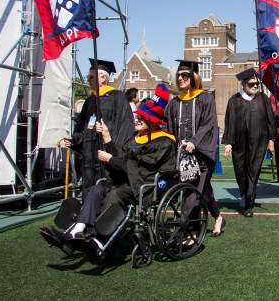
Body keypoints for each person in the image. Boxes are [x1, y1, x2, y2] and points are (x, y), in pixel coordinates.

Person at [41, 84, 177, 255]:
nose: (138, 119)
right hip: (129, 182)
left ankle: (98, 237)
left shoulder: (163, 142)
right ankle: (76, 232)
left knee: (116, 193)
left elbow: (139, 168)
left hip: (146, 186)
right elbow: (123, 157)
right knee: (98, 188)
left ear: (153, 122)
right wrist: (108, 139)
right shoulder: (136, 138)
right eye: (139, 116)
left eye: (142, 118)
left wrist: (111, 159)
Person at [165, 60, 225, 236]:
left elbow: (209, 124)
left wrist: (194, 141)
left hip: (202, 153)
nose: (181, 78)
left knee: (193, 192)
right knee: (203, 191)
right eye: (178, 75)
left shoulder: (205, 98)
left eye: (185, 75)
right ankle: (218, 217)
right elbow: (168, 126)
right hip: (183, 155)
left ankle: (191, 231)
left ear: (194, 77)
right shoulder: (175, 102)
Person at [66, 59, 135, 200]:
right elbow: (81, 128)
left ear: (103, 78)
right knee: (89, 185)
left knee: (106, 186)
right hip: (90, 155)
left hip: (106, 154)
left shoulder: (118, 97)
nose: (88, 80)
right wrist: (75, 140)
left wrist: (115, 150)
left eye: (91, 77)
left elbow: (125, 127)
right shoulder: (90, 100)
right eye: (88, 77)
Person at [222, 68, 276, 217]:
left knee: (253, 171)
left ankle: (248, 201)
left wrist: (271, 140)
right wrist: (228, 143)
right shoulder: (235, 100)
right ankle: (245, 194)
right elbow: (230, 122)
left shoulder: (263, 98)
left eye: (256, 83)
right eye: (252, 84)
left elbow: (270, 120)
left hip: (259, 142)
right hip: (239, 144)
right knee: (241, 172)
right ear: (243, 84)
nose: (255, 86)